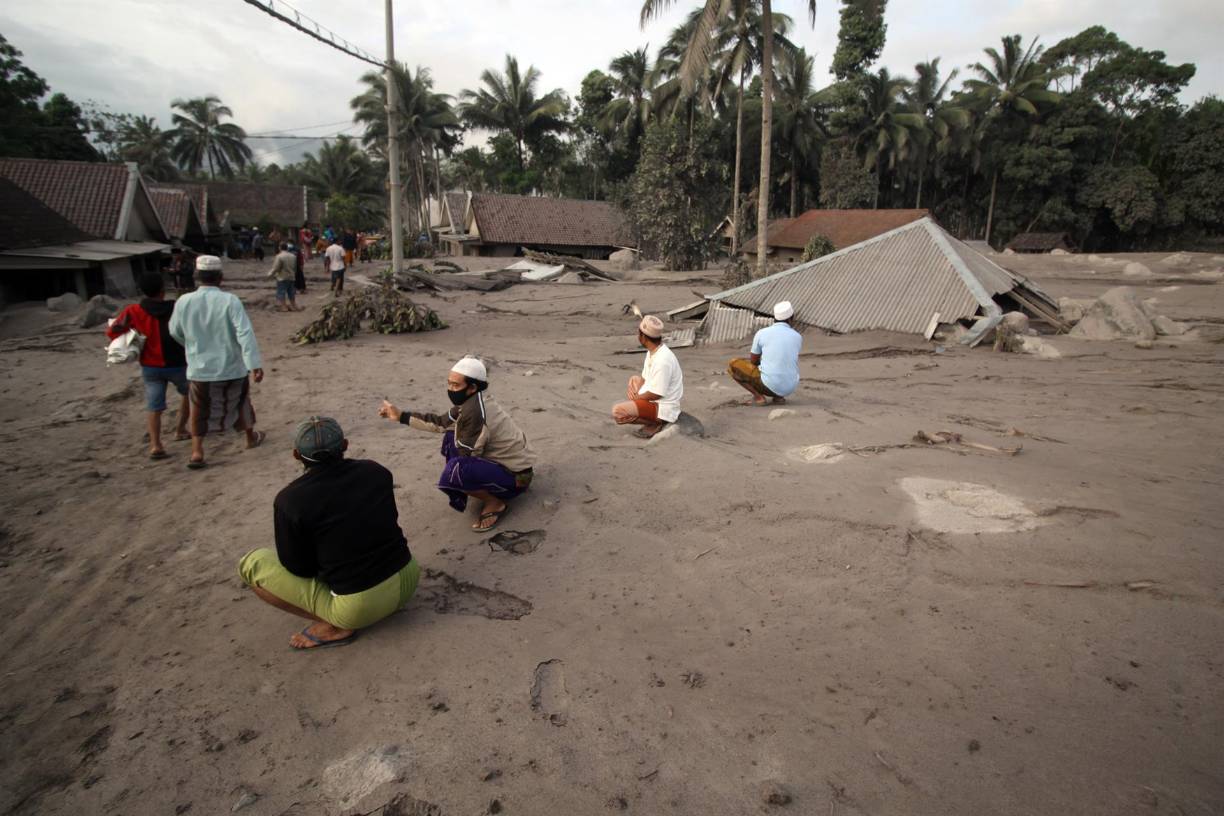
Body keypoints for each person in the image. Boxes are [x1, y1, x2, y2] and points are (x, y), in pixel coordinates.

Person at [238, 416, 421, 650]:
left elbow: (297, 567)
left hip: (359, 607)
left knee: (252, 563)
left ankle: (334, 625)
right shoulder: (376, 471)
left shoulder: (290, 500)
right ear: (344, 445)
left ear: (296, 455)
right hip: (408, 578)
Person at [378, 356, 536, 532]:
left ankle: (495, 503)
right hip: (507, 467)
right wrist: (400, 416)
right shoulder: (472, 401)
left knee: (456, 471)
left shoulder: (476, 412)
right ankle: (477, 487)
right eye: (449, 384)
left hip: (518, 479)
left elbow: (468, 455)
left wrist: (457, 476)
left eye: (455, 385)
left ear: (472, 387)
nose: (450, 389)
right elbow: (440, 422)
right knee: (450, 438)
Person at [169, 255, 266, 469]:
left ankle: (197, 450)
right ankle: (249, 437)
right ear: (220, 277)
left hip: (199, 367)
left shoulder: (183, 301)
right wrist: (254, 364)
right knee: (242, 402)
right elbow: (244, 333)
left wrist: (193, 345)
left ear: (196, 277)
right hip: (231, 364)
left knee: (198, 407)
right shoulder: (230, 301)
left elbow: (175, 331)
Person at [106, 271, 191, 459]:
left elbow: (112, 332)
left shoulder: (133, 311)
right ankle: (180, 429)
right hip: (178, 363)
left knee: (154, 406)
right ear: (162, 289)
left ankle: (155, 444)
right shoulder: (176, 308)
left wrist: (126, 329)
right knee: (189, 394)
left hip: (151, 366)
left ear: (142, 290)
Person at [611, 315, 683, 439]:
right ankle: (641, 409)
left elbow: (657, 394)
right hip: (653, 398)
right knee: (634, 380)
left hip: (663, 407)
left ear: (643, 337)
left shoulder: (663, 360)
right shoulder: (653, 350)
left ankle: (655, 422)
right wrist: (638, 395)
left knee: (618, 412)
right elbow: (644, 378)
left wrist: (638, 398)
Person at [727, 300, 803, 405]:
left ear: (774, 318)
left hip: (769, 384)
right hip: (790, 387)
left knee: (733, 364)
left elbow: (753, 361)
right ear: (792, 318)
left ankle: (759, 397)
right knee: (781, 365)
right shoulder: (798, 337)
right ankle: (779, 397)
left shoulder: (762, 333)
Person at [267, 241, 301, 312]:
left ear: (280, 248)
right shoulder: (293, 256)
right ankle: (293, 305)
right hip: (291, 277)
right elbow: (295, 267)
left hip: (282, 277)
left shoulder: (279, 256)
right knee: (291, 292)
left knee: (281, 292)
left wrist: (270, 274)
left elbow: (276, 268)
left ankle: (284, 307)